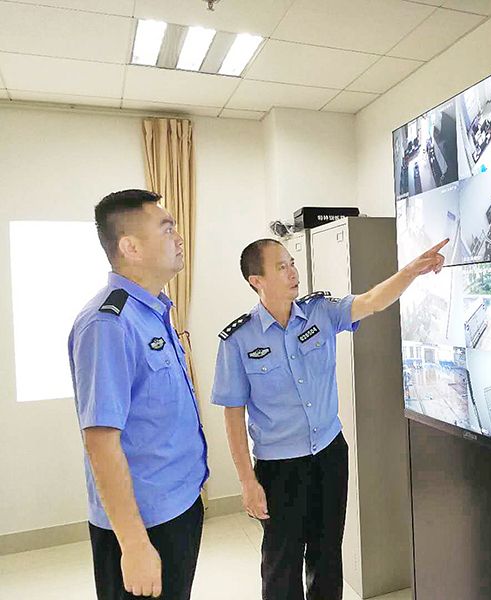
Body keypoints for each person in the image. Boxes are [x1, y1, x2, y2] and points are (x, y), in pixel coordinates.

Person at [211, 237, 448, 600]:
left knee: (327, 554)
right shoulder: (238, 340)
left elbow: (373, 301)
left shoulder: (320, 312)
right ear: (256, 280)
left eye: (292, 263)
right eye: (281, 267)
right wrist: (247, 481)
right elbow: (233, 415)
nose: (293, 272)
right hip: (279, 468)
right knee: (281, 562)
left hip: (329, 455)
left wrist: (412, 270)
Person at [68, 190, 208, 600]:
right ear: (130, 247)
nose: (179, 238)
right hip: (144, 525)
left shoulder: (153, 311)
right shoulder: (108, 324)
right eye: (167, 229)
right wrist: (133, 546)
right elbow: (101, 441)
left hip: (178, 504)